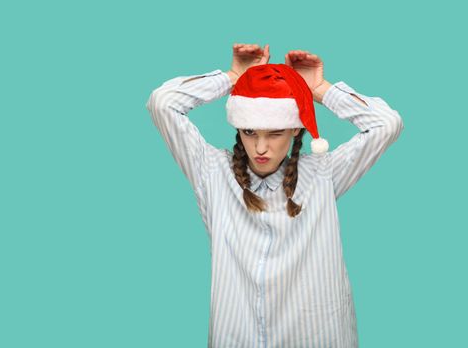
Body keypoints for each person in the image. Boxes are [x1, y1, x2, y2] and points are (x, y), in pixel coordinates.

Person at [145, 43, 404, 348]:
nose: (261, 148)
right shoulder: (212, 172)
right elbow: (162, 103)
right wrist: (232, 77)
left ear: (295, 130)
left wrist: (318, 90)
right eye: (250, 132)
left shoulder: (323, 174)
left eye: (275, 133)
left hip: (316, 336)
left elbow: (386, 124)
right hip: (237, 336)